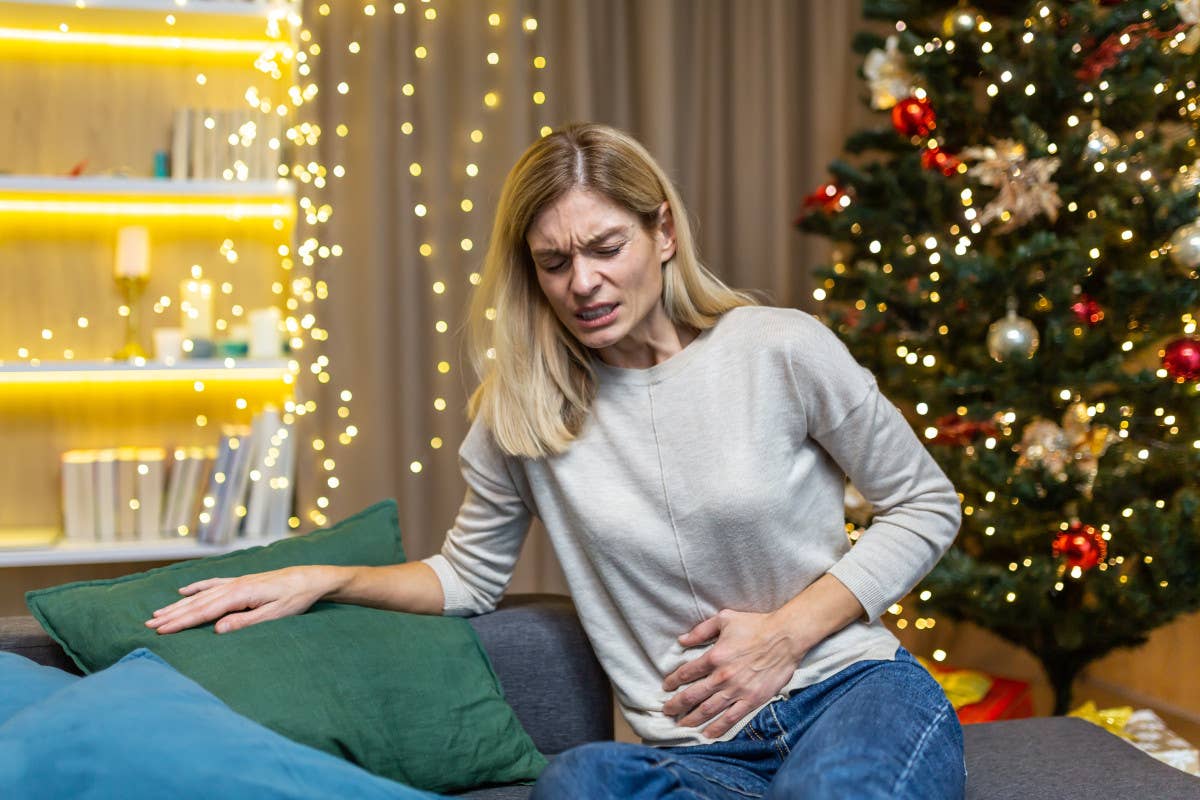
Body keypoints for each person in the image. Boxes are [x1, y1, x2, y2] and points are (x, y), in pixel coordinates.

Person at [147, 123, 966, 799]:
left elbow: (928, 504)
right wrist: (325, 577)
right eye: (554, 262)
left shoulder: (779, 349)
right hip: (702, 755)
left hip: (849, 695)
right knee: (576, 783)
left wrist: (786, 635)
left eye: (607, 246)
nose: (585, 283)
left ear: (665, 232)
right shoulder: (525, 411)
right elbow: (467, 578)